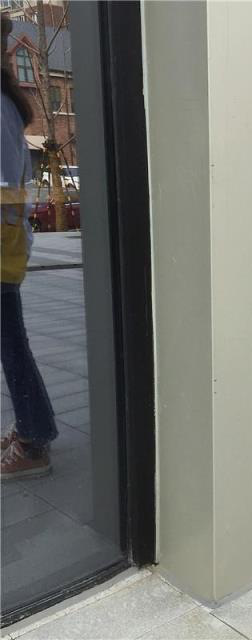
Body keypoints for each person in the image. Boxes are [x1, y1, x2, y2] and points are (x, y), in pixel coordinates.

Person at [1, 11, 58, 480]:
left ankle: (34, 439)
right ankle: (32, 428)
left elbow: (5, 185)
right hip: (6, 240)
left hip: (1, 244)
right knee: (11, 343)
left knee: (11, 344)